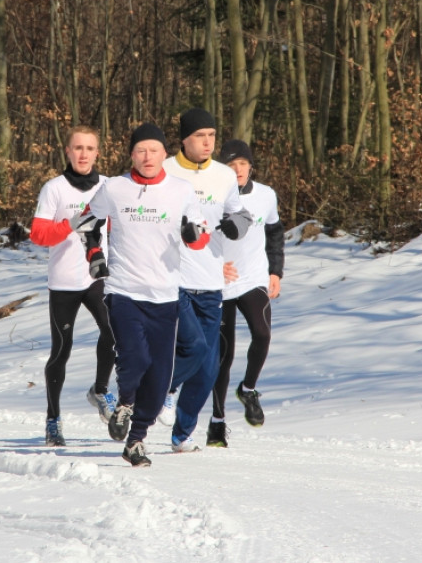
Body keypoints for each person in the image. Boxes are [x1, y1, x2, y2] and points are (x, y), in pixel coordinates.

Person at [73, 123, 209, 467]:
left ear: (166, 154)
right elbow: (86, 221)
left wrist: (193, 234)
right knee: (135, 358)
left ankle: (135, 441)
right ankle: (125, 402)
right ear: (131, 155)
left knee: (160, 377)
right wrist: (95, 256)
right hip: (123, 290)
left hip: (164, 295)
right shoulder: (114, 188)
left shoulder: (181, 189)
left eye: (154, 150)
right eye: (140, 151)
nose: (148, 157)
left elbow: (200, 236)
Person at [159, 108, 252, 453]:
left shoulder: (224, 177)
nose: (209, 142)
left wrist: (235, 226)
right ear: (184, 139)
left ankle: (182, 434)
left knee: (209, 366)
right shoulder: (165, 171)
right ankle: (165, 388)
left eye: (212, 135)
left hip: (211, 281)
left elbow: (241, 214)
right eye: (200, 136)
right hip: (173, 280)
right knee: (192, 348)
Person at [29, 126, 118, 447]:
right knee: (61, 351)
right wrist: (69, 225)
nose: (83, 154)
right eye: (77, 148)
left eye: (89, 148)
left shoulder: (109, 186)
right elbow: (38, 235)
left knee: (114, 333)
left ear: (97, 153)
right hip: (64, 281)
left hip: (99, 278)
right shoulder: (54, 189)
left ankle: (100, 390)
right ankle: (53, 419)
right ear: (67, 151)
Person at [207, 139, 284, 447]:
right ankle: (217, 421)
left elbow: (275, 232)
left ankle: (249, 389)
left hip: (253, 278)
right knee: (224, 356)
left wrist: (275, 271)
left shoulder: (266, 195)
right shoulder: (211, 196)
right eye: (231, 165)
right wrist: (212, 268)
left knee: (263, 334)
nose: (238, 170)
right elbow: (195, 236)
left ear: (251, 166)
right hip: (219, 283)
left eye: (243, 164)